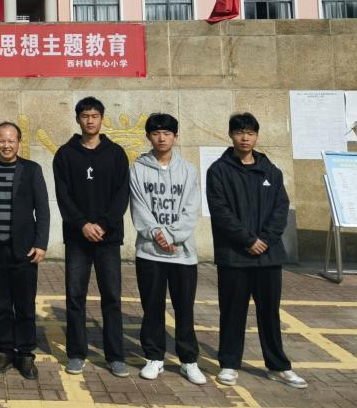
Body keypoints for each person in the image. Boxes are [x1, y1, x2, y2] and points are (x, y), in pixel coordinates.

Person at [207, 113, 307, 390]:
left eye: (250, 133)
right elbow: (220, 211)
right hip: (234, 256)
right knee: (232, 312)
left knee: (269, 314)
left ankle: (278, 366)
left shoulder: (270, 171)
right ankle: (229, 364)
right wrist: (248, 240)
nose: (245, 138)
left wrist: (265, 239)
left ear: (257, 136)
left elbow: (280, 209)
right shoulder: (219, 171)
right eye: (240, 132)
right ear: (231, 135)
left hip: (268, 256)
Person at [53, 96, 130, 378]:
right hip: (77, 238)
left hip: (109, 239)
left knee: (112, 297)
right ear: (78, 119)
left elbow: (122, 193)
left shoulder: (116, 153)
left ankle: (115, 356)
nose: (90, 120)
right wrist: (82, 224)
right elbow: (63, 195)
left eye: (95, 116)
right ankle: (76, 353)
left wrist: (105, 225)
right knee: (75, 297)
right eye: (85, 116)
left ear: (102, 119)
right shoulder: (65, 154)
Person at [0, 121, 49, 380]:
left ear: (19, 142)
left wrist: (41, 243)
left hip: (24, 250)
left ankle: (25, 353)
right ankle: (5, 351)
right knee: (1, 305)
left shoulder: (32, 169)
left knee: (25, 305)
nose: (6, 145)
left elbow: (43, 209)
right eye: (1, 140)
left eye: (11, 140)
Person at [129, 113, 205, 385]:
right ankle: (154, 357)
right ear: (148, 136)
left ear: (175, 136)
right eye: (156, 133)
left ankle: (188, 361)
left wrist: (171, 234)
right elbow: (138, 206)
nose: (161, 138)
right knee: (152, 308)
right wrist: (156, 234)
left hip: (183, 254)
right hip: (149, 252)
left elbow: (191, 209)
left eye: (167, 133)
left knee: (184, 310)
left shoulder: (189, 170)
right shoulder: (137, 169)